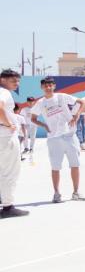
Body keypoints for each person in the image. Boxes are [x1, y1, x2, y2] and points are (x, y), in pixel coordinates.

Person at [29, 77, 85, 203]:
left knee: (75, 165)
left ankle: (76, 192)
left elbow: (83, 102)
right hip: (53, 138)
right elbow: (33, 118)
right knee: (55, 167)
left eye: (50, 85)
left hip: (70, 135)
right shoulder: (40, 103)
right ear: (42, 87)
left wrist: (76, 115)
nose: (48, 87)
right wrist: (44, 125)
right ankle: (56, 193)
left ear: (54, 86)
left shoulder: (62, 96)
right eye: (45, 85)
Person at [0, 69, 28, 218]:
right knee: (10, 172)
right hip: (5, 136)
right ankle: (8, 207)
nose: (17, 84)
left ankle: (3, 199)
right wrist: (8, 124)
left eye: (18, 81)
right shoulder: (4, 92)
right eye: (13, 81)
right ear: (3, 80)